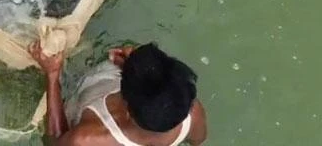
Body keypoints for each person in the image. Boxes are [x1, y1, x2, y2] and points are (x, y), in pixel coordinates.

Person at [30, 42, 209, 146]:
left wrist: (53, 75)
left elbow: (55, 139)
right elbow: (198, 140)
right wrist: (134, 64)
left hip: (86, 92)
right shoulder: (192, 115)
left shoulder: (87, 139)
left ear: (127, 109)